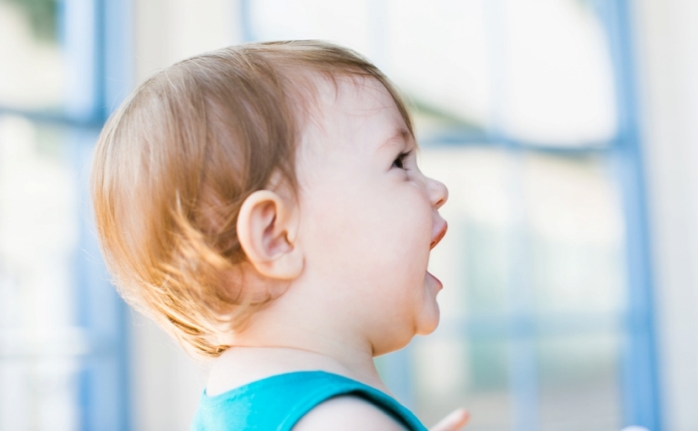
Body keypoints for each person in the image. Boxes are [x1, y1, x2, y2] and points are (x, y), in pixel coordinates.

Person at [90, 41, 469, 430]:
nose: (438, 190)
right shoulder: (341, 422)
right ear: (276, 235)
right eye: (399, 162)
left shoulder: (235, 404)